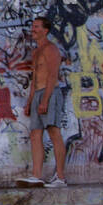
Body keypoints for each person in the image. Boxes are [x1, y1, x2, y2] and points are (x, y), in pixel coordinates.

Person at [19, 16, 67, 187]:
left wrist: (45, 100)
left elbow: (53, 76)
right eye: (33, 26)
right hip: (38, 93)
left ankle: (60, 178)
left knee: (54, 133)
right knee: (35, 134)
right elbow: (35, 79)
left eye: (37, 26)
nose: (33, 29)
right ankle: (36, 175)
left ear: (45, 30)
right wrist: (30, 102)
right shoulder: (36, 51)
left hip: (50, 93)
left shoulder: (51, 49)